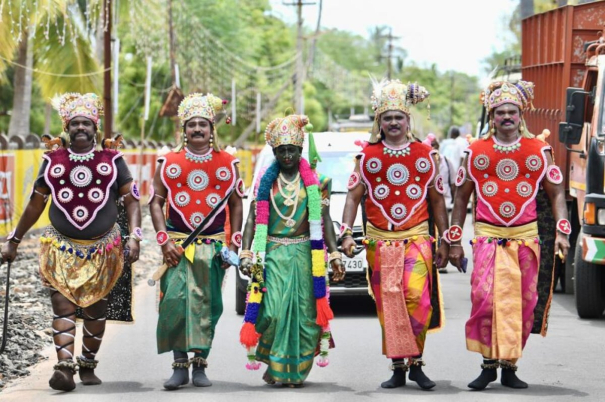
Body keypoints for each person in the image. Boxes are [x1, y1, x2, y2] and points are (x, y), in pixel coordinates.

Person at [0, 92, 142, 392]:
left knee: (94, 310)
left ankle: (87, 363)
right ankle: (64, 367)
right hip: (60, 247)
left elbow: (132, 200)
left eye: (86, 124)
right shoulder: (53, 160)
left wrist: (135, 238)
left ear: (95, 128)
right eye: (75, 123)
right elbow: (36, 203)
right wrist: (14, 239)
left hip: (103, 249)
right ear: (67, 126)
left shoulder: (112, 160)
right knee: (62, 307)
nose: (80, 128)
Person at [448, 80, 570, 390]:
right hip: (488, 237)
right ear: (492, 116)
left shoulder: (539, 150)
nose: (506, 117)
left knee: (521, 304)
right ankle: (488, 366)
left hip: (526, 239)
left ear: (521, 115)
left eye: (512, 112)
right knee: (485, 300)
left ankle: (510, 366)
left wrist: (562, 231)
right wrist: (454, 240)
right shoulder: (475, 151)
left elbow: (557, 194)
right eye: (500, 112)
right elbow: (461, 197)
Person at [341, 79, 450, 390]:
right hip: (380, 240)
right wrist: (347, 233)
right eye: (386, 118)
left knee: (417, 297)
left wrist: (446, 241)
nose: (392, 123)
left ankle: (416, 361)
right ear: (379, 121)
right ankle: (399, 367)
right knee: (389, 303)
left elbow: (437, 200)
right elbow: (352, 197)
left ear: (408, 120)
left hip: (416, 237)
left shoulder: (425, 154)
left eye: (398, 117)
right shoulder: (367, 157)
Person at [238, 114, 345, 388]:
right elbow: (252, 219)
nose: (287, 155)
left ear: (300, 150)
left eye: (292, 150)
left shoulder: (318, 181)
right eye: (281, 150)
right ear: (274, 152)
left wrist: (333, 254)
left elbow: (325, 221)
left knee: (305, 318)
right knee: (271, 313)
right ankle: (275, 361)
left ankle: (290, 372)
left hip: (304, 257)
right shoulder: (265, 180)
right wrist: (246, 252)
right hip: (272, 254)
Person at [149, 93, 243, 390]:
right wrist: (164, 241)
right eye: (192, 125)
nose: (198, 129)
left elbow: (237, 204)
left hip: (213, 247)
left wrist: (234, 244)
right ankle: (178, 366)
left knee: (207, 305)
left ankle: (200, 365)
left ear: (212, 129)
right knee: (174, 303)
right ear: (184, 130)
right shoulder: (169, 161)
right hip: (177, 247)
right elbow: (155, 202)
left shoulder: (228, 162)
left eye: (203, 124)